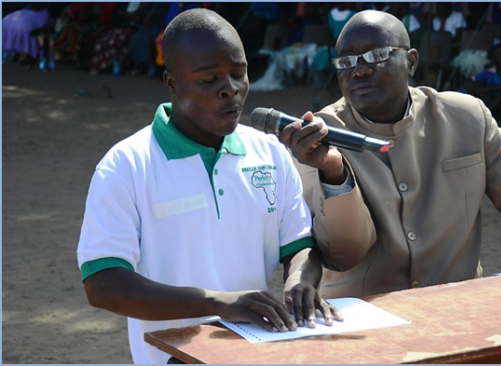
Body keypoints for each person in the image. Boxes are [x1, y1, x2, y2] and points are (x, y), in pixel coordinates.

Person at [76, 8, 341, 364]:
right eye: (208, 79)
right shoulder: (127, 165)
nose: (229, 89)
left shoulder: (270, 154)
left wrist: (300, 279)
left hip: (258, 352)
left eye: (239, 73)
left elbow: (299, 244)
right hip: (173, 359)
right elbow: (103, 285)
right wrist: (218, 302)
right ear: (172, 83)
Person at [279, 10, 501, 298]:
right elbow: (342, 254)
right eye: (346, 62)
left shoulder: (466, 118)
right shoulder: (319, 137)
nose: (360, 70)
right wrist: (333, 171)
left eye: (376, 55)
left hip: (458, 306)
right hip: (364, 315)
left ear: (411, 61)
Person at [462, 43, 501, 122]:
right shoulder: (488, 71)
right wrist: (480, 91)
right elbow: (467, 82)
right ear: (493, 59)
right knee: (472, 91)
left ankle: (485, 115)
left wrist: (489, 89)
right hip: (492, 102)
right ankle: (469, 115)